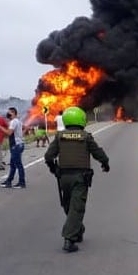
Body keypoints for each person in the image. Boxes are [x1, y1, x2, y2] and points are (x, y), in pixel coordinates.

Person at [44, 106, 109, 253]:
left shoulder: (59, 136)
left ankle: (77, 229)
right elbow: (98, 153)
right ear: (81, 119)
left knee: (68, 206)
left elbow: (48, 156)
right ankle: (69, 239)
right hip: (80, 178)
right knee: (76, 207)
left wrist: (53, 168)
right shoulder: (85, 137)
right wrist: (105, 163)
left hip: (63, 178)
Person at [0, 107, 26, 188]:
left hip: (16, 146)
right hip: (19, 144)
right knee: (13, 165)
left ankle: (21, 182)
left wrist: (0, 127)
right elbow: (25, 127)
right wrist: (20, 135)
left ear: (14, 113)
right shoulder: (18, 121)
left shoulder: (13, 122)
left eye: (9, 113)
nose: (8, 114)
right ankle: (9, 181)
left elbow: (9, 133)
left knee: (18, 164)